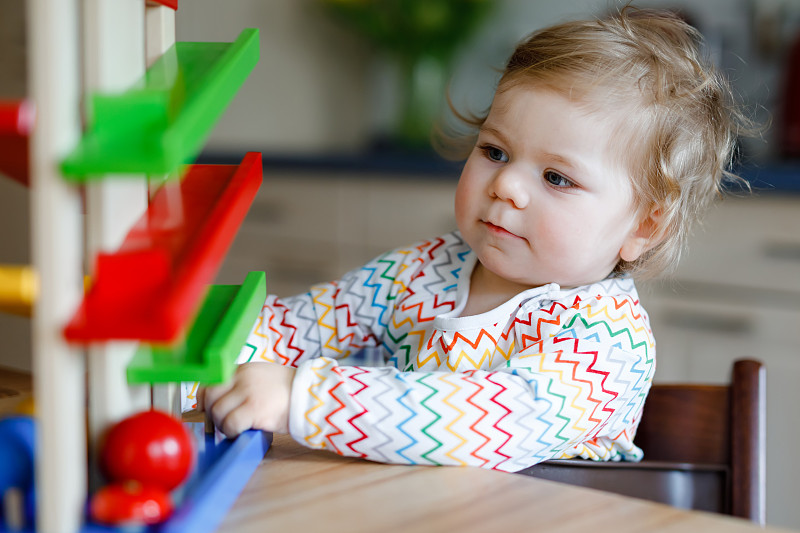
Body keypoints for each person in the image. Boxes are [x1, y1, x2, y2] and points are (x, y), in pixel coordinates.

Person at [194, 6, 751, 471]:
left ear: (643, 227)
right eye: (495, 151)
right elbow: (302, 326)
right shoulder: (425, 270)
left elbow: (483, 419)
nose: (506, 184)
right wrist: (203, 359)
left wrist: (303, 398)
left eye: (557, 178)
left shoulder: (606, 343)